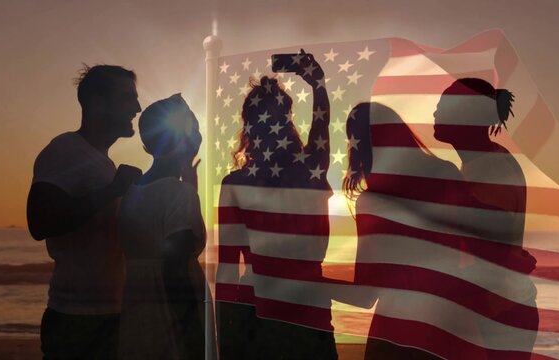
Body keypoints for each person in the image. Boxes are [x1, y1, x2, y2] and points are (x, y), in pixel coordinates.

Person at [216, 53, 337, 359]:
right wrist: (317, 82)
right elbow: (321, 125)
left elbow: (228, 269)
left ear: (249, 128)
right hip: (307, 312)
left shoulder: (236, 184)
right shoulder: (311, 168)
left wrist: (223, 335)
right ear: (287, 122)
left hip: (257, 314)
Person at [27, 64, 143, 359]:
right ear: (97, 103)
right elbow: (39, 222)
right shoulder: (65, 150)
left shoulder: (102, 162)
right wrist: (113, 191)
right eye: (127, 98)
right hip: (77, 320)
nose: (137, 107)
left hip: (107, 315)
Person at [344, 102, 464, 359]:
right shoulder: (446, 173)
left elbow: (365, 295)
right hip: (446, 328)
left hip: (394, 333)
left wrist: (307, 278)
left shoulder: (373, 202)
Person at [433, 78, 538, 357]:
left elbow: (492, 251)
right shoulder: (488, 160)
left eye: (443, 106)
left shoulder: (489, 170)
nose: (435, 113)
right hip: (503, 310)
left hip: (497, 317)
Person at [117, 94, 213, 359]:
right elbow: (175, 267)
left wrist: (189, 184)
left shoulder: (133, 190)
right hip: (169, 316)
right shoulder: (178, 193)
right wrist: (191, 331)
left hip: (137, 309)